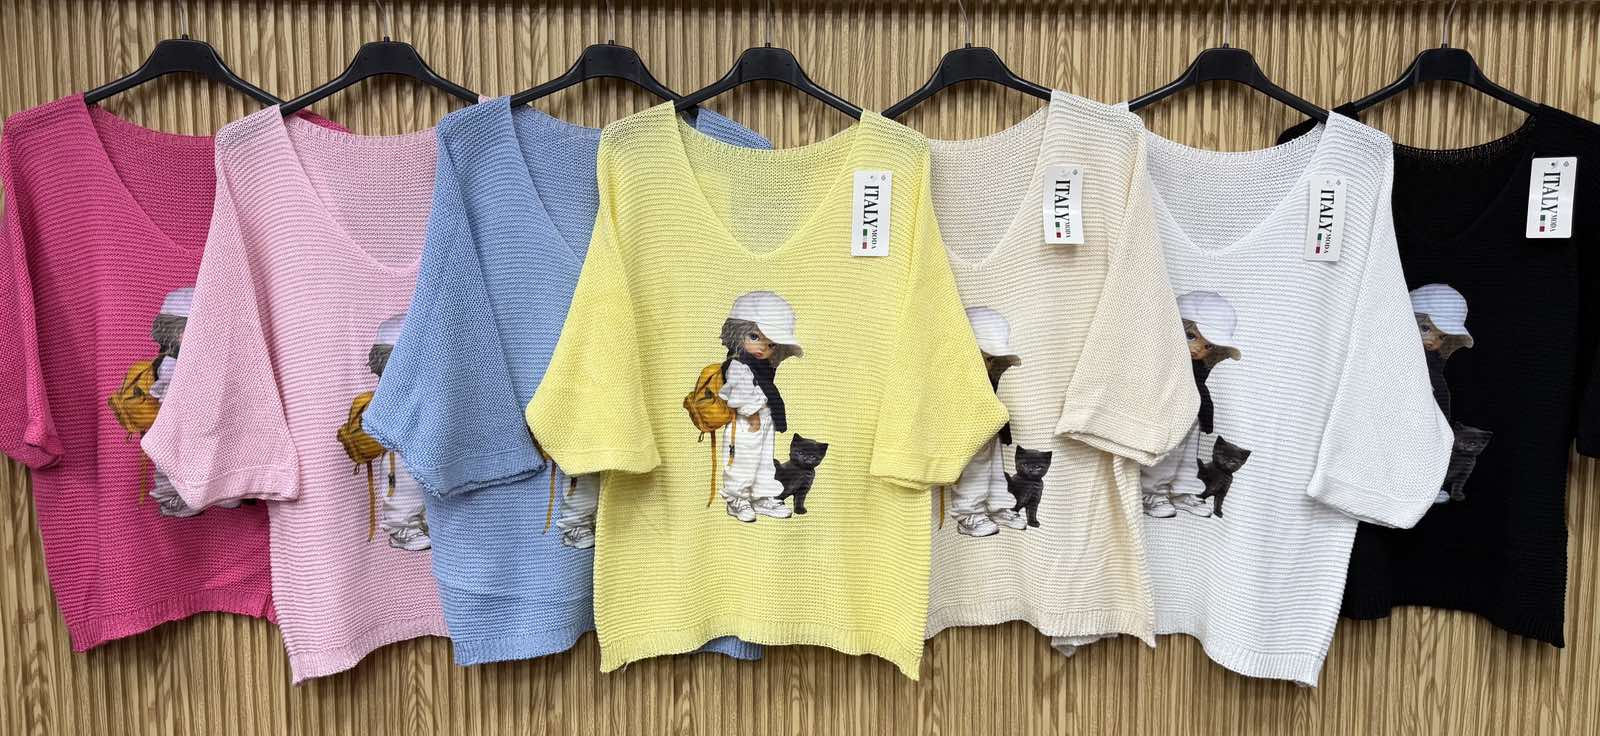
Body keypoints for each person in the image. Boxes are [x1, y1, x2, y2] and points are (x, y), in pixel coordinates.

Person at [1142, 291, 1243, 519]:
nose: (1198, 348)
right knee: (1165, 452)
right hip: (1165, 411)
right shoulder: (1161, 359)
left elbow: (1199, 388)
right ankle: (1150, 492)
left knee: (1187, 457)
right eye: (1191, 336)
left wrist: (1204, 416)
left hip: (1190, 414)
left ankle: (1182, 490)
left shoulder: (1197, 367)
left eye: (1208, 346)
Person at [717, 291, 802, 523]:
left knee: (764, 459)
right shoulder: (738, 365)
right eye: (754, 337)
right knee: (742, 459)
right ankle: (737, 499)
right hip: (746, 421)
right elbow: (739, 392)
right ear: (738, 333)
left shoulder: (762, 366)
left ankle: (762, 496)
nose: (762, 347)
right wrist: (752, 414)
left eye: (771, 343)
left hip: (764, 418)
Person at [947, 307, 1027, 537]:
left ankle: (997, 506)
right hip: (966, 430)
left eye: (993, 359)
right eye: (988, 358)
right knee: (975, 467)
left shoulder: (984, 375)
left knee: (994, 466)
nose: (991, 365)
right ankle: (967, 514)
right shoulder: (952, 374)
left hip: (987, 424)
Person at [368, 316, 430, 551]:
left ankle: (416, 526)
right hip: (399, 454)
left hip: (413, 450)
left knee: (417, 489)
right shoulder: (389, 399)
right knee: (403, 488)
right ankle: (403, 530)